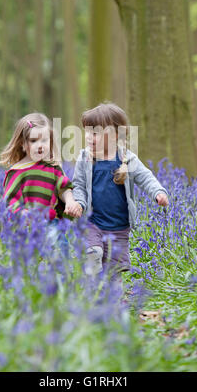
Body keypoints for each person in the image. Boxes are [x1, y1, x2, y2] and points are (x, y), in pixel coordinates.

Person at [72, 102, 169, 285]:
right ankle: (91, 289)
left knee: (113, 272)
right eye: (87, 131)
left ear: (116, 135)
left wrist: (158, 192)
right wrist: (79, 203)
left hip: (119, 228)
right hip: (93, 223)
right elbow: (78, 185)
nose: (89, 137)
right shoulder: (85, 158)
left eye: (96, 133)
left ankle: (114, 304)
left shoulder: (127, 158)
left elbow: (145, 177)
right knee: (94, 253)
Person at [0, 112, 81, 255]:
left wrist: (70, 201)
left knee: (60, 252)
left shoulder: (53, 168)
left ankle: (62, 275)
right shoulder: (17, 172)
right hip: (26, 226)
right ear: (22, 143)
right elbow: (10, 201)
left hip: (51, 223)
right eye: (34, 141)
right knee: (30, 258)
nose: (40, 146)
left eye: (44, 141)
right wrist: (22, 213)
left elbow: (63, 187)